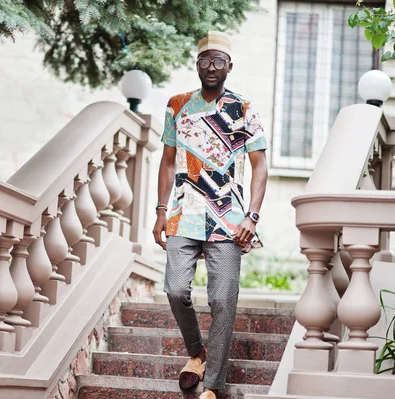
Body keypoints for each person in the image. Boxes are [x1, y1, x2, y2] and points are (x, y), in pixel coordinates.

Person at [152, 31, 268, 399]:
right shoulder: (177, 105)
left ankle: (214, 385)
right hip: (184, 211)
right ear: (197, 63)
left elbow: (260, 166)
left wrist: (252, 215)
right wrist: (159, 210)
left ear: (229, 66)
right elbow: (168, 163)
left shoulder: (244, 109)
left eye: (219, 61)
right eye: (205, 60)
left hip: (229, 216)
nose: (211, 67)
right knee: (174, 289)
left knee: (222, 299)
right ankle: (196, 352)